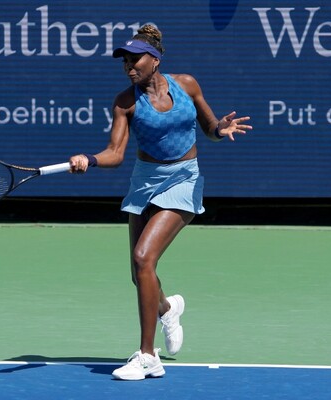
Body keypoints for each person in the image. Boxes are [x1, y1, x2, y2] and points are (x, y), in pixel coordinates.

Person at [69, 24, 251, 380]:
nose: (128, 66)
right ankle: (168, 309)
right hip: (144, 182)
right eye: (124, 61)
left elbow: (210, 127)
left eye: (135, 59)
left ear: (155, 59)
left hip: (185, 179)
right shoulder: (125, 103)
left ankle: (148, 356)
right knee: (140, 274)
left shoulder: (187, 84)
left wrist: (220, 130)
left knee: (143, 258)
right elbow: (115, 153)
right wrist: (89, 159)